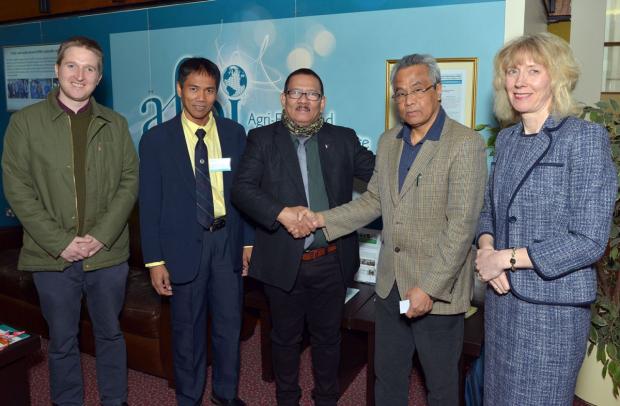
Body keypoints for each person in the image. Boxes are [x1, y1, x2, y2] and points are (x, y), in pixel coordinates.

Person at [302, 54, 487, 406]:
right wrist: (322, 219)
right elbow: (374, 201)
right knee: (387, 377)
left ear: (438, 90)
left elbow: (462, 228)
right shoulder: (389, 142)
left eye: (417, 90)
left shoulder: (465, 144)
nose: (408, 100)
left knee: (441, 385)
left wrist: (429, 290)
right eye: (400, 94)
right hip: (390, 286)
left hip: (437, 290)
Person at [474, 32, 616, 406]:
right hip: (502, 300)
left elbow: (588, 238)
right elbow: (489, 210)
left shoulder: (584, 138)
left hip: (551, 311)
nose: (520, 81)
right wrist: (487, 249)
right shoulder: (506, 141)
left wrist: (504, 258)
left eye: (533, 71)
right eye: (512, 71)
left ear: (556, 78)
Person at [2, 36, 138, 406]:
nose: (80, 75)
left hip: (106, 254)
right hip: (52, 256)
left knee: (110, 334)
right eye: (72, 65)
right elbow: (17, 188)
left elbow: (129, 182)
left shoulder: (116, 123)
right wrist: (60, 241)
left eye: (90, 68)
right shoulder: (25, 124)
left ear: (99, 77)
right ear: (57, 70)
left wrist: (101, 235)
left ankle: (116, 400)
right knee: (62, 341)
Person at [231, 68, 375, 406]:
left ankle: (326, 398)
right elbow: (242, 189)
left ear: (322, 102)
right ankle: (287, 399)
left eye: (311, 94)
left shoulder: (344, 138)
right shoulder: (262, 139)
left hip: (331, 262)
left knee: (328, 339)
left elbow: (380, 175)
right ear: (283, 99)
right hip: (284, 264)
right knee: (284, 339)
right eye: (296, 93)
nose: (303, 100)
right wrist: (281, 213)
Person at [138, 57, 252, 406]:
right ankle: (189, 398)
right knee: (187, 332)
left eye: (209, 90)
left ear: (217, 93)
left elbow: (246, 193)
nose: (201, 98)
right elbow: (149, 205)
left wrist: (248, 241)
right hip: (183, 249)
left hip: (227, 242)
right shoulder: (156, 140)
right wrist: (155, 260)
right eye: (193, 89)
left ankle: (225, 395)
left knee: (229, 327)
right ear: (179, 89)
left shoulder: (234, 134)